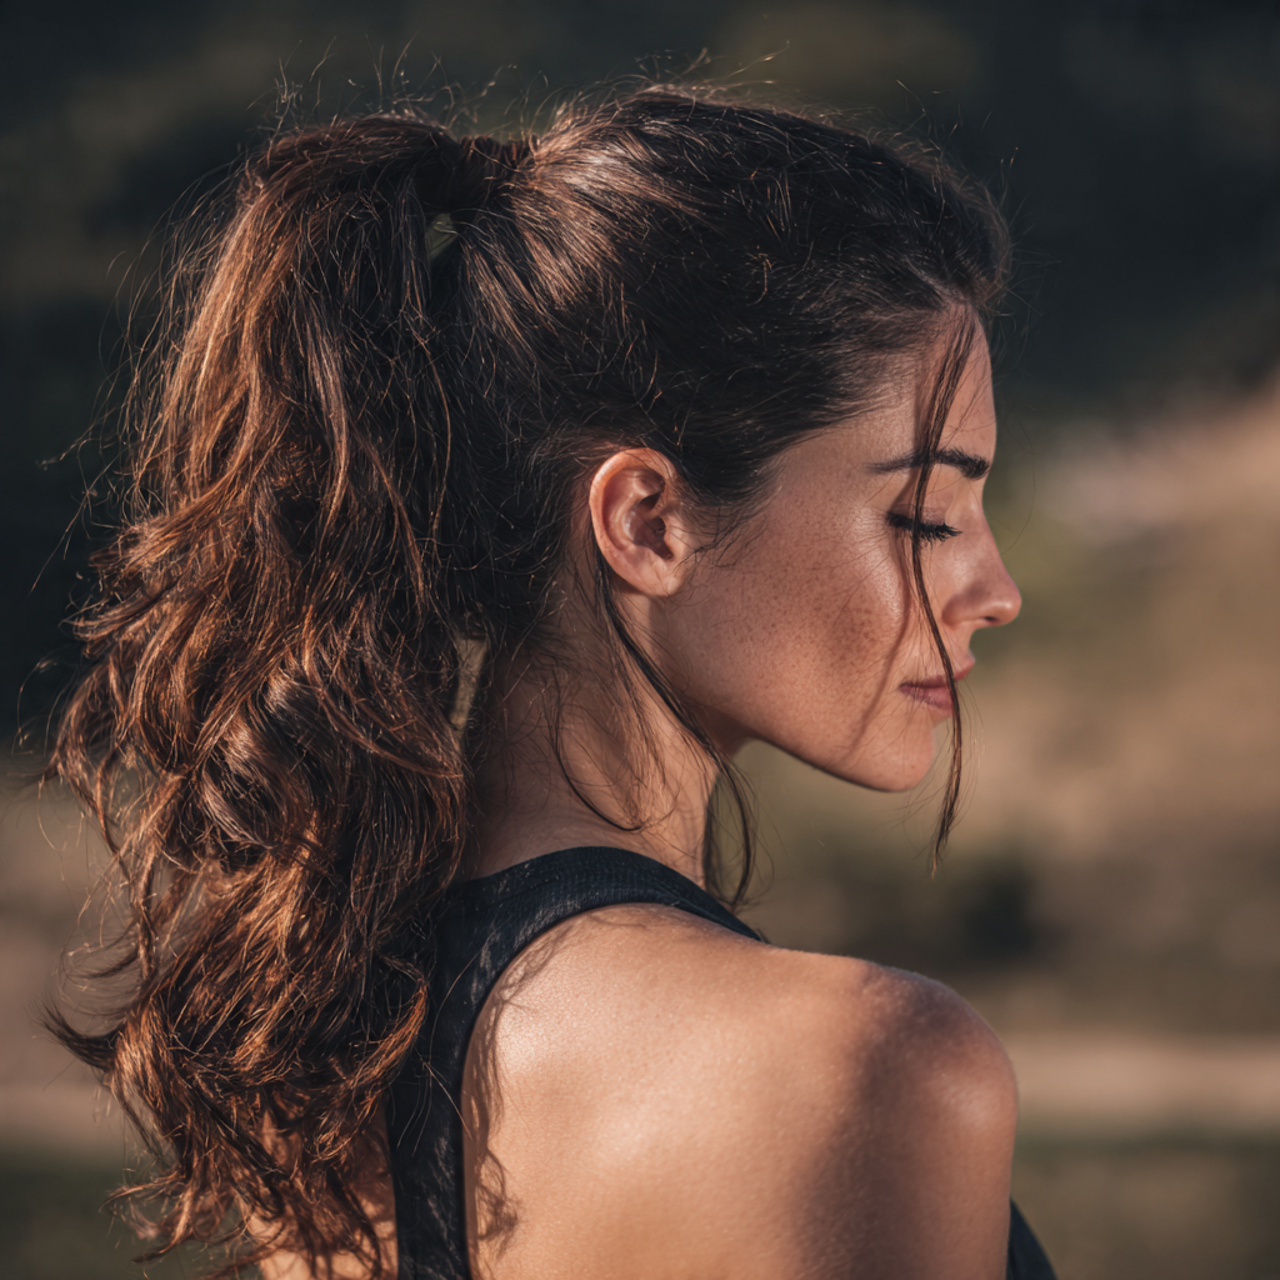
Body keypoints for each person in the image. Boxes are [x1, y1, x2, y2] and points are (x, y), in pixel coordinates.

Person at [48, 85, 1055, 1279]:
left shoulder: (320, 1044)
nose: (996, 589)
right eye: (927, 513)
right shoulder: (872, 1067)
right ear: (647, 521)